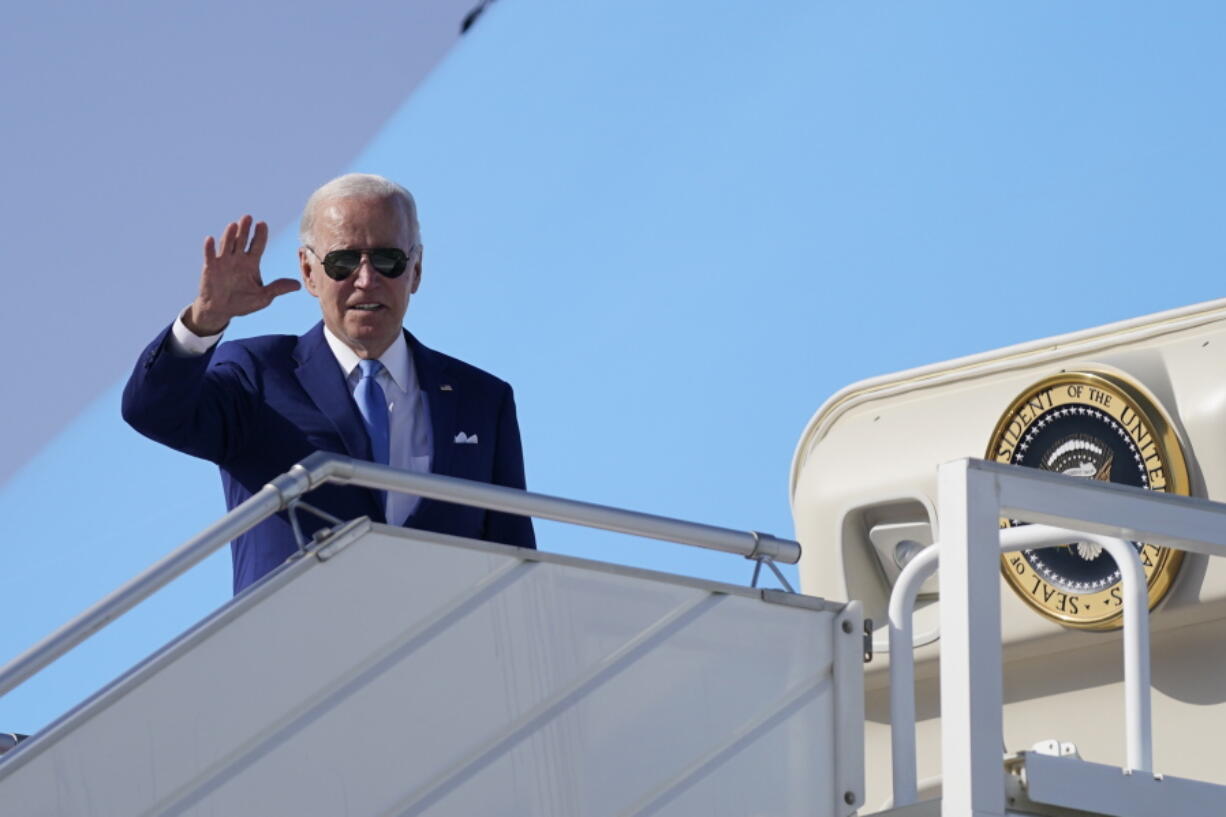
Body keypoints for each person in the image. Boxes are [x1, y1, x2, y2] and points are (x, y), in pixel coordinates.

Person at [123, 174, 535, 593]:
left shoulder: (481, 399)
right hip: (299, 648)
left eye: (388, 260)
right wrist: (205, 320)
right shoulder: (257, 375)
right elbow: (153, 411)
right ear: (309, 271)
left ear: (416, 270)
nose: (366, 279)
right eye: (342, 262)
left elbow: (514, 555)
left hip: (440, 647)